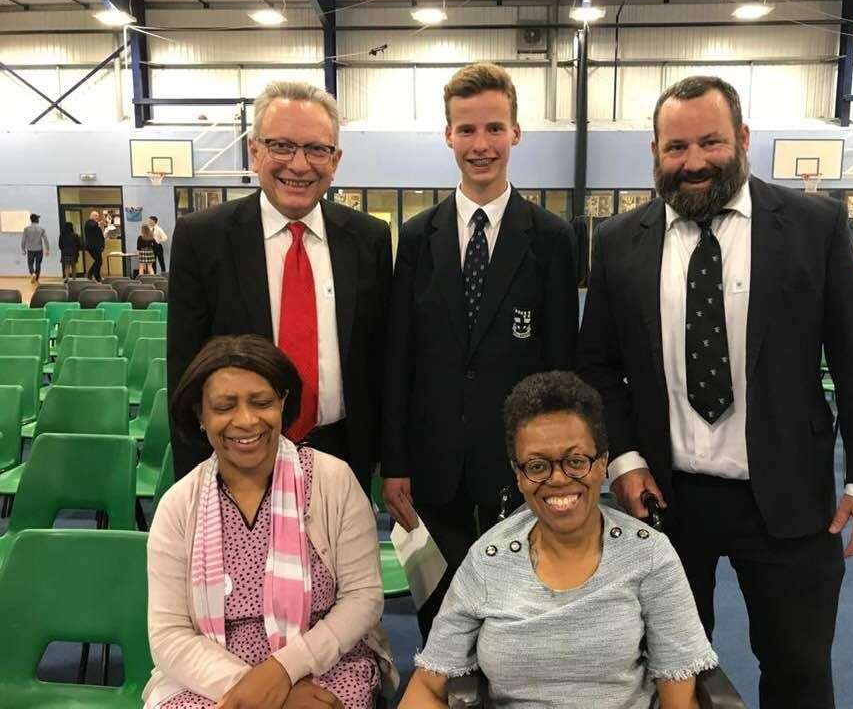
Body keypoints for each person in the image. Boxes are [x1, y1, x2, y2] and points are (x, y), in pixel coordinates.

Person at [576, 76, 853, 709]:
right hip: (666, 500)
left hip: (786, 500)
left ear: (744, 140)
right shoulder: (619, 241)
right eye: (676, 147)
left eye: (710, 142)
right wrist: (626, 460)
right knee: (670, 671)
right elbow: (598, 367)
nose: (693, 162)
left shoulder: (814, 225)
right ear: (655, 153)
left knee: (798, 669)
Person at [380, 63, 579, 641]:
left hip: (520, 462)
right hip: (430, 459)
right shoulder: (418, 237)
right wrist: (394, 462)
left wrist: (556, 460)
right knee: (436, 607)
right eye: (466, 130)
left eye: (494, 128)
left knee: (516, 605)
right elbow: (399, 359)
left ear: (516, 132)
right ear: (448, 136)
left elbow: (560, 365)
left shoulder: (551, 239)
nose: (481, 145)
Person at [399, 371, 717, 708]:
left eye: (576, 461)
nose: (559, 479)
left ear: (603, 464)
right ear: (518, 475)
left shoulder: (649, 554)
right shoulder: (487, 559)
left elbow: (679, 695)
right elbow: (428, 685)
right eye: (537, 466)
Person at [144, 333, 396, 709]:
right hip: (211, 673)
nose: (245, 421)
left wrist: (283, 670)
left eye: (261, 402)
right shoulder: (179, 506)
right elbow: (169, 634)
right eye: (224, 406)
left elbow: (363, 598)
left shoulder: (332, 481)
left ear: (283, 403)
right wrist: (257, 689)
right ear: (201, 415)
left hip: (324, 660)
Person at [168, 80, 393, 491]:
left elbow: (381, 359)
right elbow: (185, 371)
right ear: (255, 151)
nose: (300, 164)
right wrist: (195, 480)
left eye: (316, 149)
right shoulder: (202, 238)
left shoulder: (369, 240)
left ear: (336, 159)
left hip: (342, 456)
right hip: (239, 455)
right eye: (282, 146)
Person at [21, 213, 49, 283]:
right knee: (38, 264)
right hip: (39, 249)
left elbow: (23, 240)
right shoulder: (41, 229)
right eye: (38, 218)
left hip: (30, 249)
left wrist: (23, 249)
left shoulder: (26, 229)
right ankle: (36, 278)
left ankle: (33, 273)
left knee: (30, 263)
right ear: (36, 219)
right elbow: (46, 240)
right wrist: (47, 249)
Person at [83, 209, 104, 280]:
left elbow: (100, 236)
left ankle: (91, 274)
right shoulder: (88, 223)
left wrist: (102, 245)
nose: (97, 217)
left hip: (97, 246)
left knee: (98, 261)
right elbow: (93, 226)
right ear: (91, 216)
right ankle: (96, 276)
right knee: (99, 261)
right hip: (92, 246)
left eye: (97, 216)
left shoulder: (95, 224)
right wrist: (98, 223)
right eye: (96, 216)